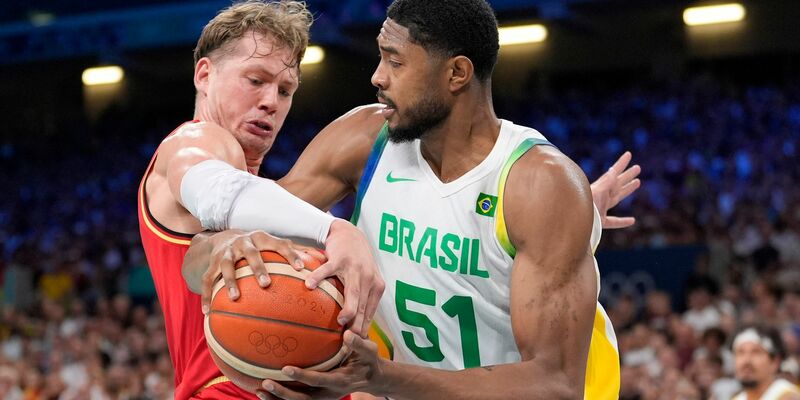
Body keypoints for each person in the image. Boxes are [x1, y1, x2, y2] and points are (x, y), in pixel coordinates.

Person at [183, 0, 642, 398]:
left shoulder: (540, 185)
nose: (377, 76)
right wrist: (223, 247)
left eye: (395, 62)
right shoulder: (366, 140)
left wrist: (384, 378)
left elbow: (556, 386)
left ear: (457, 73)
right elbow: (196, 257)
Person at [137, 1, 384, 398]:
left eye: (285, 90)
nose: (271, 101)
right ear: (205, 74)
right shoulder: (194, 141)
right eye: (255, 80)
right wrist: (335, 228)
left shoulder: (268, 196)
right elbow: (213, 203)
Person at [731, 327, 800, 400]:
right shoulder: (737, 398)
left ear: (775, 362)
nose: (746, 360)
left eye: (756, 352)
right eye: (740, 352)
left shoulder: (789, 397)